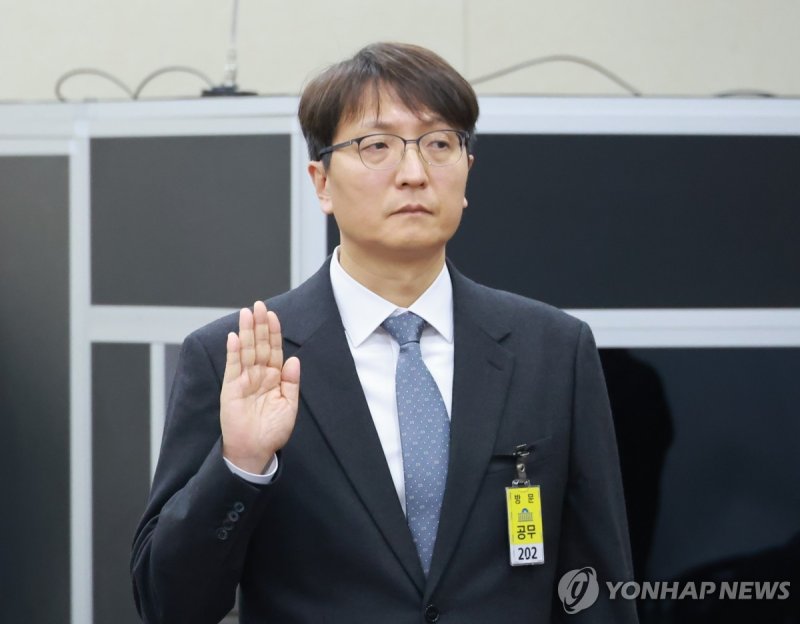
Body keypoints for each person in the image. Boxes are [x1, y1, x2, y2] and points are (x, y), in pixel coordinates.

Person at [131, 42, 637, 623]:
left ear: (467, 173)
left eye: (439, 144)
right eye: (377, 146)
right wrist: (240, 464)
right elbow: (169, 605)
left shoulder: (552, 350)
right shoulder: (240, 357)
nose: (414, 174)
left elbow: (596, 584)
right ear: (321, 182)